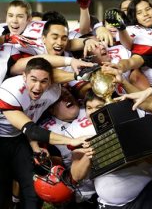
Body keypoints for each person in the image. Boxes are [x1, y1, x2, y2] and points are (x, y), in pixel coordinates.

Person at [66, 89, 152, 209]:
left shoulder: (137, 116)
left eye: (99, 107)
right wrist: (89, 153)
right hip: (114, 204)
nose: (93, 113)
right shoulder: (81, 134)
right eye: (89, 108)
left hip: (151, 190)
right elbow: (76, 176)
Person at [0, 58, 89, 209]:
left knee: (32, 191)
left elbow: (30, 117)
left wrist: (35, 147)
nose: (37, 86)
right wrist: (71, 140)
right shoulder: (10, 90)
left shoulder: (53, 92)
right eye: (33, 80)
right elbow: (31, 129)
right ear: (24, 77)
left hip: (18, 137)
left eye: (43, 81)